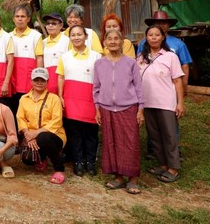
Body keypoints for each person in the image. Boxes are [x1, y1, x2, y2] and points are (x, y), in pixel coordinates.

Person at [93, 28, 144, 194]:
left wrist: (140, 109)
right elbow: (96, 88)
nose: (113, 41)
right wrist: (97, 109)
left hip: (129, 107)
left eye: (117, 39)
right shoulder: (99, 63)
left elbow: (139, 87)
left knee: (131, 142)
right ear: (105, 43)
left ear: (122, 42)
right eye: (110, 39)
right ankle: (118, 177)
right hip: (106, 108)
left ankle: (133, 178)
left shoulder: (131, 63)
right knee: (111, 143)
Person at [138, 25, 185, 183]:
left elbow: (178, 80)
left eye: (157, 35)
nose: (153, 38)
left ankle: (173, 168)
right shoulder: (141, 58)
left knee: (169, 135)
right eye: (150, 35)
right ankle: (162, 164)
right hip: (147, 103)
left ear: (163, 37)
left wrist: (180, 103)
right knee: (154, 136)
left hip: (166, 103)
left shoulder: (170, 56)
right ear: (146, 38)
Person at [57, 25, 102, 176]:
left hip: (90, 100)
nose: (76, 37)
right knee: (74, 133)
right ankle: (78, 162)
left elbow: (101, 79)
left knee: (91, 133)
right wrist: (60, 96)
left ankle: (90, 162)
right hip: (71, 100)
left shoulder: (96, 56)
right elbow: (61, 77)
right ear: (69, 38)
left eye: (79, 34)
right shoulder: (65, 57)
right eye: (73, 35)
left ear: (86, 36)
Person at [17, 67, 67, 184]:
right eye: (36, 79)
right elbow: (21, 118)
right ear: (31, 81)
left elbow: (57, 121)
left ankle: (59, 169)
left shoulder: (54, 98)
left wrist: (35, 133)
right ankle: (42, 159)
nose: (39, 82)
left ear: (47, 81)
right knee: (27, 159)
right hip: (32, 136)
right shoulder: (24, 99)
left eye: (42, 80)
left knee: (43, 137)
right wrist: (27, 134)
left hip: (53, 136)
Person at [137, 10, 192, 95]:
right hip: (148, 86)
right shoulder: (143, 43)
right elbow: (139, 65)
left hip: (170, 85)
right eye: (158, 23)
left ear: (169, 25)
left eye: (164, 23)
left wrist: (184, 85)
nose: (161, 25)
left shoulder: (179, 44)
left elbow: (185, 65)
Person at [10, 5, 44, 122]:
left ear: (28, 19)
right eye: (17, 16)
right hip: (12, 82)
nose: (20, 19)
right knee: (13, 113)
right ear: (13, 19)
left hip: (28, 82)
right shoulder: (8, 36)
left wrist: (39, 79)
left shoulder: (36, 36)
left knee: (28, 113)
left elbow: (39, 58)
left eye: (23, 16)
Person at [42, 12, 69, 94]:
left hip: (63, 85)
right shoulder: (43, 42)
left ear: (61, 25)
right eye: (48, 23)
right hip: (47, 85)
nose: (50, 26)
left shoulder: (67, 41)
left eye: (53, 23)